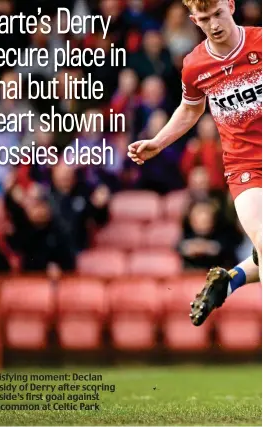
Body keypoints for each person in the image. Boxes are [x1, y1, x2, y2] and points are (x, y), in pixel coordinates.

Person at [127, 0, 261, 326]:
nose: (214, 24)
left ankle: (230, 281)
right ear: (193, 20)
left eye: (218, 14)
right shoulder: (195, 65)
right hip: (246, 170)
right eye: (205, 19)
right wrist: (158, 142)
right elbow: (190, 110)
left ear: (230, 6)